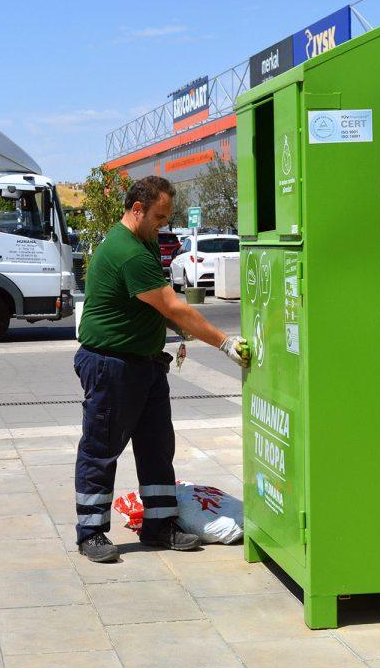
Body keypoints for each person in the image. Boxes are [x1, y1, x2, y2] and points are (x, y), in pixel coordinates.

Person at [75, 175, 250, 563]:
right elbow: (173, 306)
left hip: (145, 364)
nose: (163, 225)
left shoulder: (145, 241)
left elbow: (155, 307)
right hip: (111, 364)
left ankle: (160, 525)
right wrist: (223, 342)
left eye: (167, 217)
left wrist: (173, 331)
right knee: (101, 449)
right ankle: (91, 532)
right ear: (136, 209)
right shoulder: (128, 251)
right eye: (158, 216)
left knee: (157, 448)